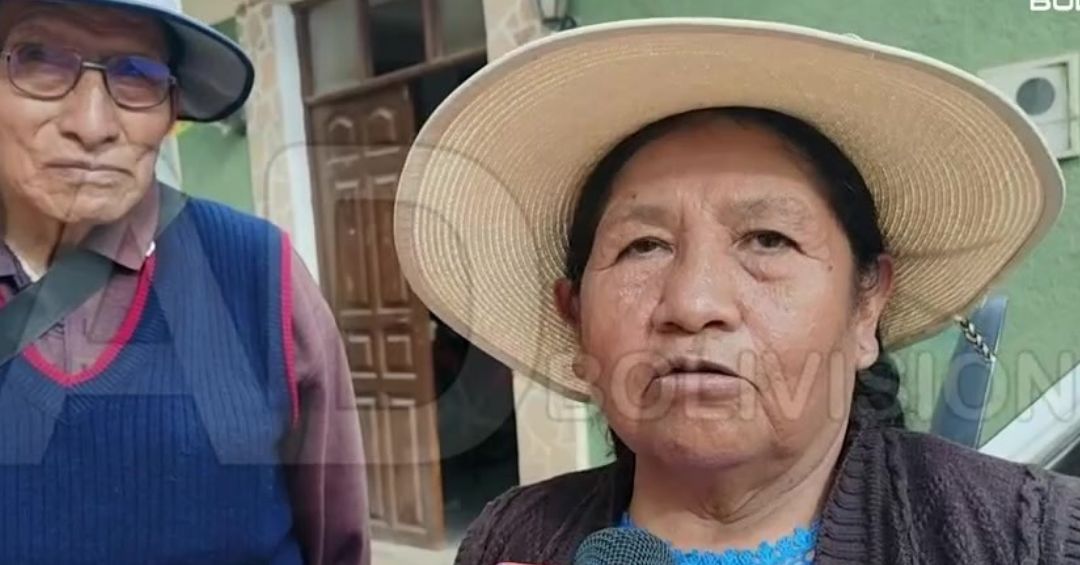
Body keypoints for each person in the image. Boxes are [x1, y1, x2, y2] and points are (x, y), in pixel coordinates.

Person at [393, 18, 1080, 565]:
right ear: (574, 318)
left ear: (866, 304)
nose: (693, 305)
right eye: (643, 246)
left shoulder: (1034, 540)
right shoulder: (512, 538)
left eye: (768, 240)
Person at [0, 0, 368, 563]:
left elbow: (339, 546)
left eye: (137, 73)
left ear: (172, 110)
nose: (92, 126)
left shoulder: (257, 272)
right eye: (40, 61)